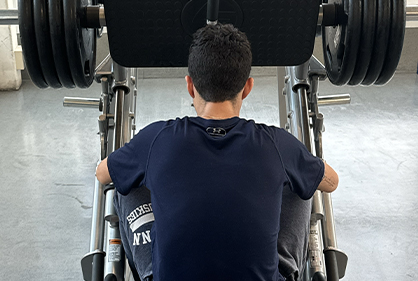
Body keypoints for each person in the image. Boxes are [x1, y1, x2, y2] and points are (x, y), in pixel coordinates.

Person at [96, 23, 339, 281]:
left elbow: (102, 174)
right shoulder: (277, 143)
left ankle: (149, 270)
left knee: (125, 179)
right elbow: (331, 182)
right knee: (305, 178)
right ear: (247, 87)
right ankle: (286, 265)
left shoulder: (156, 138)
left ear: (190, 86)